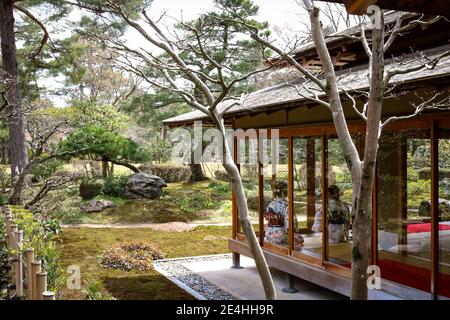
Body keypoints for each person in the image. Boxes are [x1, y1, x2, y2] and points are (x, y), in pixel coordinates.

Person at [264, 180, 304, 249]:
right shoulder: (286, 205)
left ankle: (274, 242)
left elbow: (267, 218)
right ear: (284, 192)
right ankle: (284, 244)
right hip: (281, 235)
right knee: (300, 239)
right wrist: (294, 231)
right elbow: (290, 223)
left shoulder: (271, 204)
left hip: (268, 234)